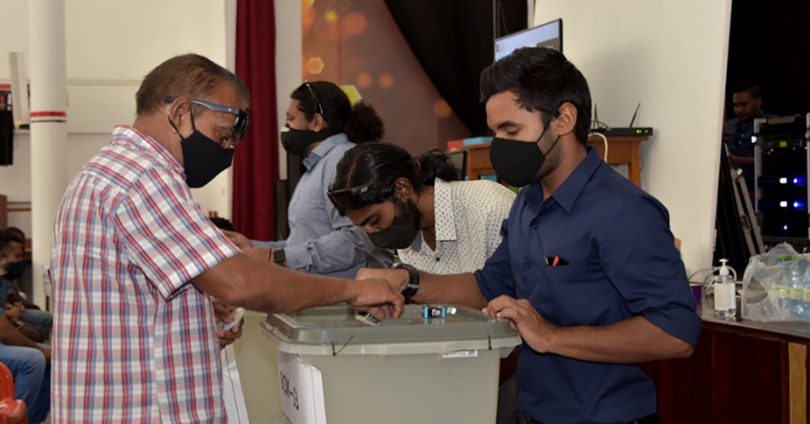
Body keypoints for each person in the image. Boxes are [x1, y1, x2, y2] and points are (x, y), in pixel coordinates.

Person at [50, 54, 404, 424]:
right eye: (222, 135)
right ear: (181, 112)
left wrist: (198, 317)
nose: (226, 151)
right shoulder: (144, 178)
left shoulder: (108, 171)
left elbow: (130, 301)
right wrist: (352, 290)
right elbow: (240, 283)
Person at [359, 47, 701, 424]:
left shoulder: (623, 211)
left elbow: (676, 332)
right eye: (495, 132)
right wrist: (404, 282)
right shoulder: (527, 202)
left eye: (511, 130)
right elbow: (489, 285)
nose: (499, 145)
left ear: (563, 119)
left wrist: (551, 336)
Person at [328, 142, 519, 423]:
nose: (372, 232)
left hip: (508, 377)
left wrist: (407, 281)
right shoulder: (408, 233)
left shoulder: (490, 208)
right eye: (364, 226)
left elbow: (505, 298)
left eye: (375, 220)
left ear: (402, 189)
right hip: (456, 379)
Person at [227, 81, 393, 278]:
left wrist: (279, 257)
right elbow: (298, 245)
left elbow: (356, 241)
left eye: (291, 119)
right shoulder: (314, 168)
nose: (286, 128)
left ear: (316, 122)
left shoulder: (344, 161)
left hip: (348, 294)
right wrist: (252, 247)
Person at [0, 233, 50, 424]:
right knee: (33, 359)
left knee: (52, 358)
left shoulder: (2, 280)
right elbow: (3, 332)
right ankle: (12, 418)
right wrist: (40, 350)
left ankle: (32, 419)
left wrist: (9, 318)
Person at [724, 80, 776, 193]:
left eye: (744, 105)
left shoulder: (771, 124)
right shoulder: (727, 126)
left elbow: (773, 160)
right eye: (735, 105)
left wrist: (735, 159)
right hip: (727, 188)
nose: (739, 110)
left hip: (758, 189)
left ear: (758, 101)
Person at [1, 227, 53, 337]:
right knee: (40, 327)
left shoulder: (5, 278)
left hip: (7, 315)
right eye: (17, 256)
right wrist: (9, 314)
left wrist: (17, 306)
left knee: (36, 332)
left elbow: (11, 298)